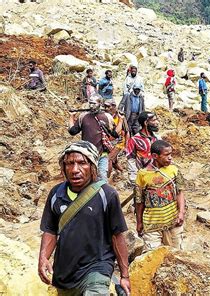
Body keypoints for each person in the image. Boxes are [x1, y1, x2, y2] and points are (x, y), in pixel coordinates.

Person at [38, 141, 130, 295]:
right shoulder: (56, 194)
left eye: (82, 163)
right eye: (69, 163)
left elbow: (117, 236)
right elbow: (50, 230)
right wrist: (43, 258)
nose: (75, 170)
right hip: (65, 274)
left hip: (97, 269)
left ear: (93, 166)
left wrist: (125, 275)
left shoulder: (107, 194)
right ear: (63, 167)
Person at [135, 140, 186, 251]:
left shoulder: (174, 170)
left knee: (177, 255)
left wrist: (181, 212)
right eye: (166, 155)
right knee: (152, 256)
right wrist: (139, 222)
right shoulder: (143, 174)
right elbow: (139, 201)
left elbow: (180, 192)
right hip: (152, 224)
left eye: (171, 154)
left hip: (173, 221)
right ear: (155, 156)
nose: (170, 158)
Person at [68, 95, 119, 181]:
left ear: (100, 104)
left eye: (94, 103)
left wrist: (121, 120)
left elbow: (115, 134)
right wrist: (71, 117)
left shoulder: (107, 117)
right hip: (87, 154)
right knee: (87, 178)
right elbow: (72, 131)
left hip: (101, 154)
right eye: (90, 103)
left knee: (102, 179)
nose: (91, 106)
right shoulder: (83, 116)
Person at [126, 111, 161, 184]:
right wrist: (133, 178)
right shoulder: (134, 140)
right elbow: (131, 159)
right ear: (145, 123)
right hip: (143, 177)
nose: (157, 122)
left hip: (158, 176)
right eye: (154, 120)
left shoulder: (157, 138)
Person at [104, 100, 127, 181]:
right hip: (109, 142)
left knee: (108, 159)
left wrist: (126, 146)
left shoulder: (120, 116)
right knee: (114, 161)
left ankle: (105, 180)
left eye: (108, 106)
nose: (106, 108)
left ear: (114, 106)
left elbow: (127, 131)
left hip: (119, 142)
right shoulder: (105, 115)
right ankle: (122, 172)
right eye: (105, 106)